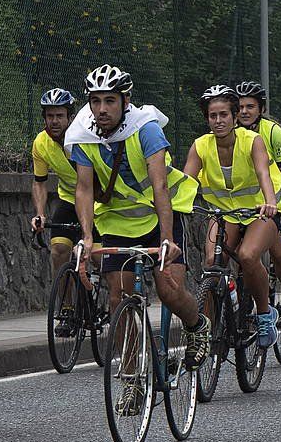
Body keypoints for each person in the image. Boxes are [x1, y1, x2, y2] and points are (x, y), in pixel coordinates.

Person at [69, 64, 210, 382]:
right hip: (118, 219)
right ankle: (131, 378)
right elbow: (84, 188)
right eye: (95, 101)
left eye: (110, 101)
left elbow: (160, 186)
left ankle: (197, 326)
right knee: (119, 296)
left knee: (168, 288)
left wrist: (167, 238)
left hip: (160, 216)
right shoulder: (82, 133)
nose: (102, 109)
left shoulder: (145, 127)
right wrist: (88, 237)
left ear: (125, 100)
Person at [186, 84, 281, 349]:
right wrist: (172, 204)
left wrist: (270, 202)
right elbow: (186, 181)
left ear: (233, 117)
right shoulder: (200, 146)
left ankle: (264, 314)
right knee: (211, 261)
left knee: (248, 256)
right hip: (224, 213)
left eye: (224, 115)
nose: (218, 121)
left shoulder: (252, 141)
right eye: (212, 116)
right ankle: (207, 328)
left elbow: (264, 173)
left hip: (258, 210)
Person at [234, 81, 281, 332]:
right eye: (240, 106)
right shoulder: (229, 130)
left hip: (276, 197)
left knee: (279, 252)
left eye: (250, 106)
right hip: (245, 202)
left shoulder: (272, 131)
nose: (244, 111)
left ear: (260, 108)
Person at [29, 88, 83, 279]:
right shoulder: (40, 143)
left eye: (60, 115)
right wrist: (40, 214)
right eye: (50, 115)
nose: (54, 121)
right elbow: (39, 182)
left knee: (97, 256)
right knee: (59, 250)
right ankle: (66, 307)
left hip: (98, 201)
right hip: (69, 199)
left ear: (70, 116)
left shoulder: (84, 137)